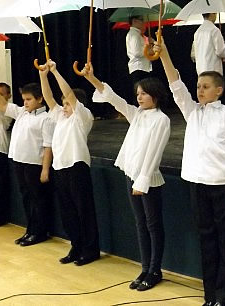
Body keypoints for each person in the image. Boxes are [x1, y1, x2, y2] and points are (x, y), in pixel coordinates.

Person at [155, 37, 225, 306]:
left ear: (219, 90)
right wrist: (164, 53)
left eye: (205, 87)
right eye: (198, 86)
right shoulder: (193, 112)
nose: (200, 90)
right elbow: (175, 84)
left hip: (222, 185)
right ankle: (210, 296)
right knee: (206, 240)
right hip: (197, 184)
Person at [82, 63, 170, 291]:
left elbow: (154, 153)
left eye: (144, 93)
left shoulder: (161, 120)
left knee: (153, 225)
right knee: (141, 224)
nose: (139, 97)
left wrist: (143, 180)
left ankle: (155, 270)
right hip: (132, 175)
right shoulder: (137, 114)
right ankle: (145, 267)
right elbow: (114, 99)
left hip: (148, 180)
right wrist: (92, 78)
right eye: (138, 93)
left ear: (156, 95)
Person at [38, 60, 100, 265]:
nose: (63, 107)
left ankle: (90, 250)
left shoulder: (83, 117)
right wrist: (43, 75)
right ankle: (76, 246)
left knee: (83, 210)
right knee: (68, 211)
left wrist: (55, 72)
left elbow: (70, 95)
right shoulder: (61, 118)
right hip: (60, 168)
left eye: (66, 104)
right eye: (63, 104)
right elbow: (48, 98)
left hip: (77, 166)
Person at [0, 82, 54, 246]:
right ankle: (30, 229)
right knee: (26, 197)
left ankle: (40, 232)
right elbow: (2, 104)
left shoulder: (46, 119)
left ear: (40, 99)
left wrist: (45, 169)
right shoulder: (22, 112)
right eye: (24, 99)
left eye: (29, 99)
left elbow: (48, 146)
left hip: (34, 164)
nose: (25, 102)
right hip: (19, 162)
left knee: (38, 199)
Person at [0, 82, 13, 226]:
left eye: (2, 94)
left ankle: (0, 217)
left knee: (0, 186)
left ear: (9, 96)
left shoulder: (9, 111)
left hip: (0, 151)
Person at [126, 15, 152, 93]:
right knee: (141, 92)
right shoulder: (134, 34)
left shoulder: (137, 34)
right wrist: (149, 51)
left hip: (142, 67)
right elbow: (136, 52)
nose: (143, 22)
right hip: (139, 67)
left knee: (144, 91)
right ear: (134, 21)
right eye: (141, 20)